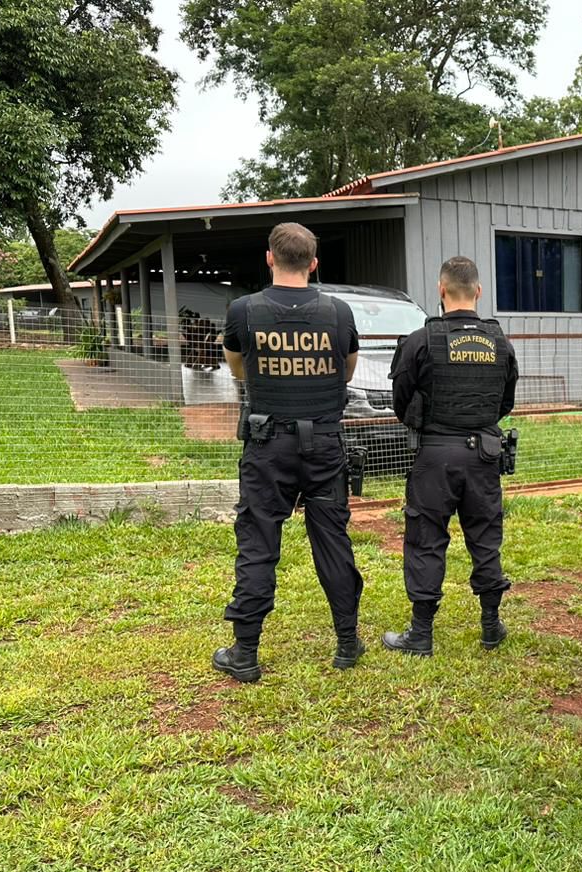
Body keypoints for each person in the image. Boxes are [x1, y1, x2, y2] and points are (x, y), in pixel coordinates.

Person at [212, 222, 365, 682]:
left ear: (270, 258)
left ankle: (245, 652)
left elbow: (239, 371)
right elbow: (347, 373)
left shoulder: (243, 311)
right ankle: (346, 642)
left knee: (258, 542)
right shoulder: (339, 313)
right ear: (314, 264)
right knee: (333, 541)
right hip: (323, 442)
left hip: (267, 444)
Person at [382, 256, 518, 657]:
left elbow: (400, 400)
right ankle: (491, 626)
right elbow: (504, 401)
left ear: (441, 291)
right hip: (484, 455)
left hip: (434, 456)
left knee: (425, 540)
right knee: (485, 539)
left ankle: (421, 635)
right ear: (478, 292)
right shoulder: (500, 342)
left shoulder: (421, 341)